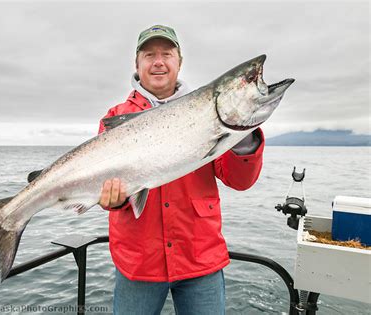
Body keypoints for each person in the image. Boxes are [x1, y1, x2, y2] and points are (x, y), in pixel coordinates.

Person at [98, 25, 264, 315]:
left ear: (179, 62)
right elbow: (106, 187)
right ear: (137, 65)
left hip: (199, 256)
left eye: (167, 54)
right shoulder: (115, 117)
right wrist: (118, 199)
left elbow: (239, 181)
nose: (158, 61)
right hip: (138, 262)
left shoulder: (207, 110)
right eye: (149, 55)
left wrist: (243, 135)